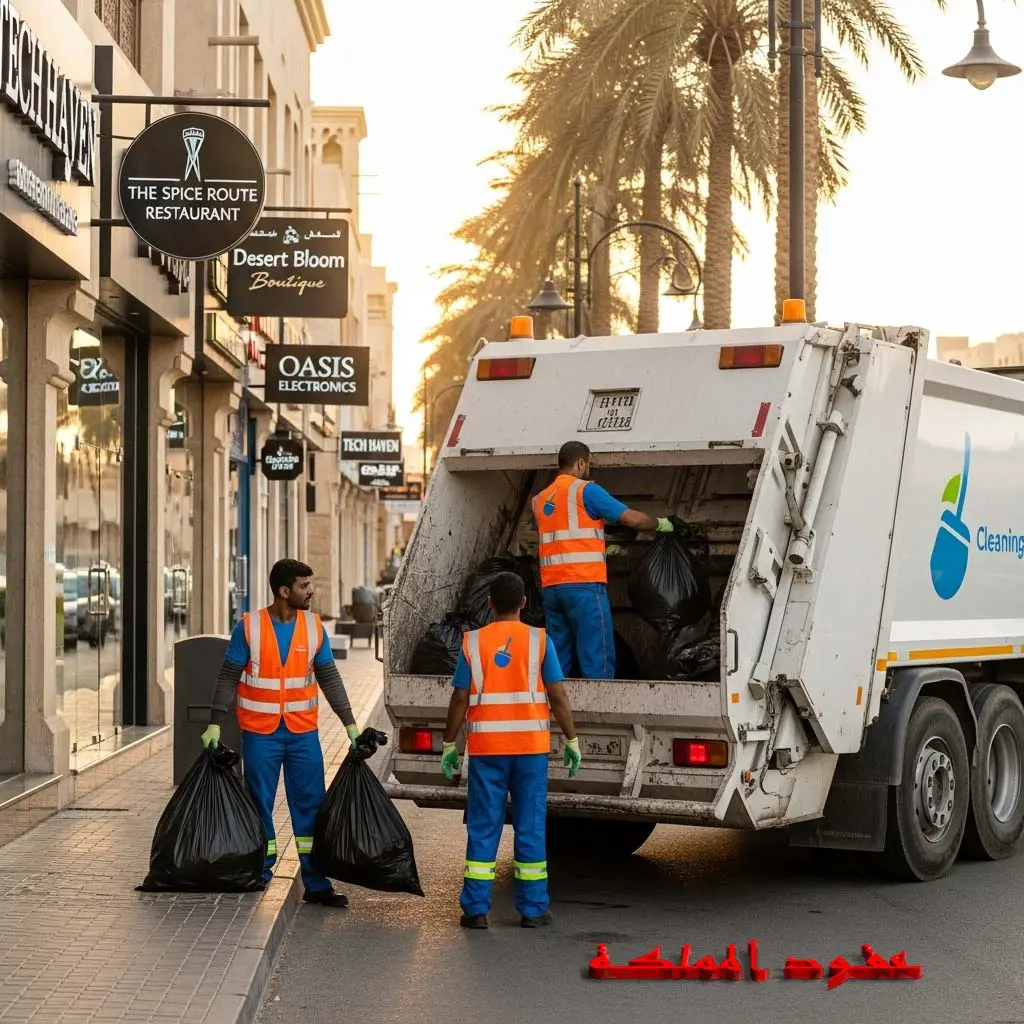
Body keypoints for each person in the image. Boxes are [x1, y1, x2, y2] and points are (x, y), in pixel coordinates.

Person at [201, 558, 363, 908]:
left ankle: (317, 883)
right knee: (260, 804)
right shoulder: (249, 627)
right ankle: (261, 870)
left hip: (303, 733)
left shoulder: (314, 627)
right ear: (284, 591)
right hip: (261, 733)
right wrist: (215, 721)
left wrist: (350, 724)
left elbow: (329, 678)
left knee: (311, 805)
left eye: (310, 585)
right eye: (305, 586)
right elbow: (228, 675)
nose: (311, 591)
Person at [439, 571, 581, 930]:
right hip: (530, 749)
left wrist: (449, 743)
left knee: (484, 827)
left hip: (488, 749)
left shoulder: (472, 643)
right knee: (530, 826)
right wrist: (572, 739)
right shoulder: (539, 641)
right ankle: (533, 910)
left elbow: (459, 698)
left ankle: (475, 910)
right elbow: (558, 697)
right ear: (523, 603)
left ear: (489, 603)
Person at [533, 440, 674, 679]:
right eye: (587, 464)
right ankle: (599, 713)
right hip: (583, 586)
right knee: (597, 655)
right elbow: (632, 519)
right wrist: (661, 524)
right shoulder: (586, 491)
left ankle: (556, 711)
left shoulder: (538, 500)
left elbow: (566, 531)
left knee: (558, 660)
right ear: (580, 463)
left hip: (551, 588)